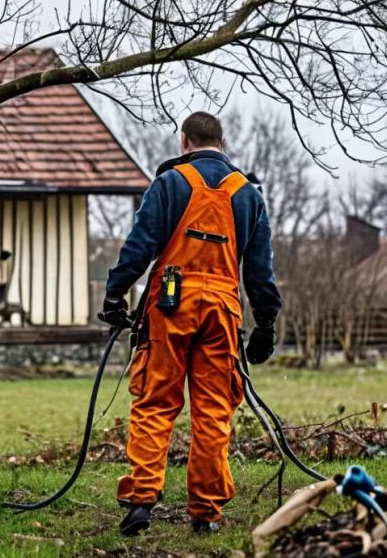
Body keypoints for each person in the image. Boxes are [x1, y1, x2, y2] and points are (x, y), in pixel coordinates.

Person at [99, 112, 282, 536]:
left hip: (170, 304)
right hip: (222, 308)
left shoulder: (170, 183)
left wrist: (115, 294)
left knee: (155, 402)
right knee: (214, 410)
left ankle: (141, 501)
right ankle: (205, 512)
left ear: (184, 140)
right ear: (222, 142)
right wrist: (266, 324)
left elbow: (140, 246)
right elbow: (259, 271)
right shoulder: (248, 194)